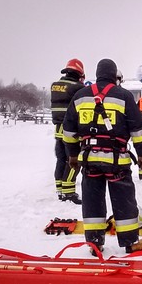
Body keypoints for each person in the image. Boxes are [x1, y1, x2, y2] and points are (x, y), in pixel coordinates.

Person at [63, 58, 142, 255]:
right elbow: (137, 129)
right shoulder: (124, 96)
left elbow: (68, 131)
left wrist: (72, 155)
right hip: (116, 161)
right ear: (113, 75)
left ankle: (95, 243)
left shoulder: (79, 97)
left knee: (92, 200)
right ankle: (130, 242)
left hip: (89, 160)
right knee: (124, 200)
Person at [50, 58, 84, 204]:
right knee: (73, 160)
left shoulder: (55, 86)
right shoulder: (77, 88)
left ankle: (60, 189)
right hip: (71, 131)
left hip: (58, 130)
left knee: (60, 159)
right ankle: (69, 193)